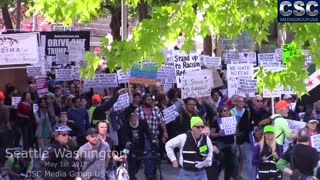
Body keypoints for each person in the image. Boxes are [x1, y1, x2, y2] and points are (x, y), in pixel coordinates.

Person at [122, 113, 158, 180]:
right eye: (132, 120)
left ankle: (148, 175)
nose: (133, 122)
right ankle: (132, 177)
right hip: (130, 145)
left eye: (135, 120)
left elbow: (148, 132)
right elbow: (124, 135)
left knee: (138, 163)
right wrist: (127, 141)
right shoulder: (126, 124)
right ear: (129, 120)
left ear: (137, 119)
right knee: (132, 164)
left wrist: (153, 140)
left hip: (140, 144)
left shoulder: (142, 122)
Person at [210, 106, 237, 180]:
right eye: (224, 111)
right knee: (220, 164)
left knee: (230, 164)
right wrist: (218, 134)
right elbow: (211, 134)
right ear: (220, 113)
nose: (227, 112)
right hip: (221, 144)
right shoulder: (216, 121)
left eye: (228, 110)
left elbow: (237, 132)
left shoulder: (233, 120)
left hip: (231, 144)